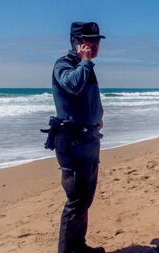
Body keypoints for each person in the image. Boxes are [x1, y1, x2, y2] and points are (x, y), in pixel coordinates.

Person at [51, 22, 106, 253]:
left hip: (90, 139)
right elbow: (72, 86)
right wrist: (84, 61)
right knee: (75, 202)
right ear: (75, 41)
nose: (93, 45)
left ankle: (79, 246)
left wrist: (96, 118)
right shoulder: (64, 64)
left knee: (85, 200)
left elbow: (88, 98)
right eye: (88, 40)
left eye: (96, 41)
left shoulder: (87, 67)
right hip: (72, 143)